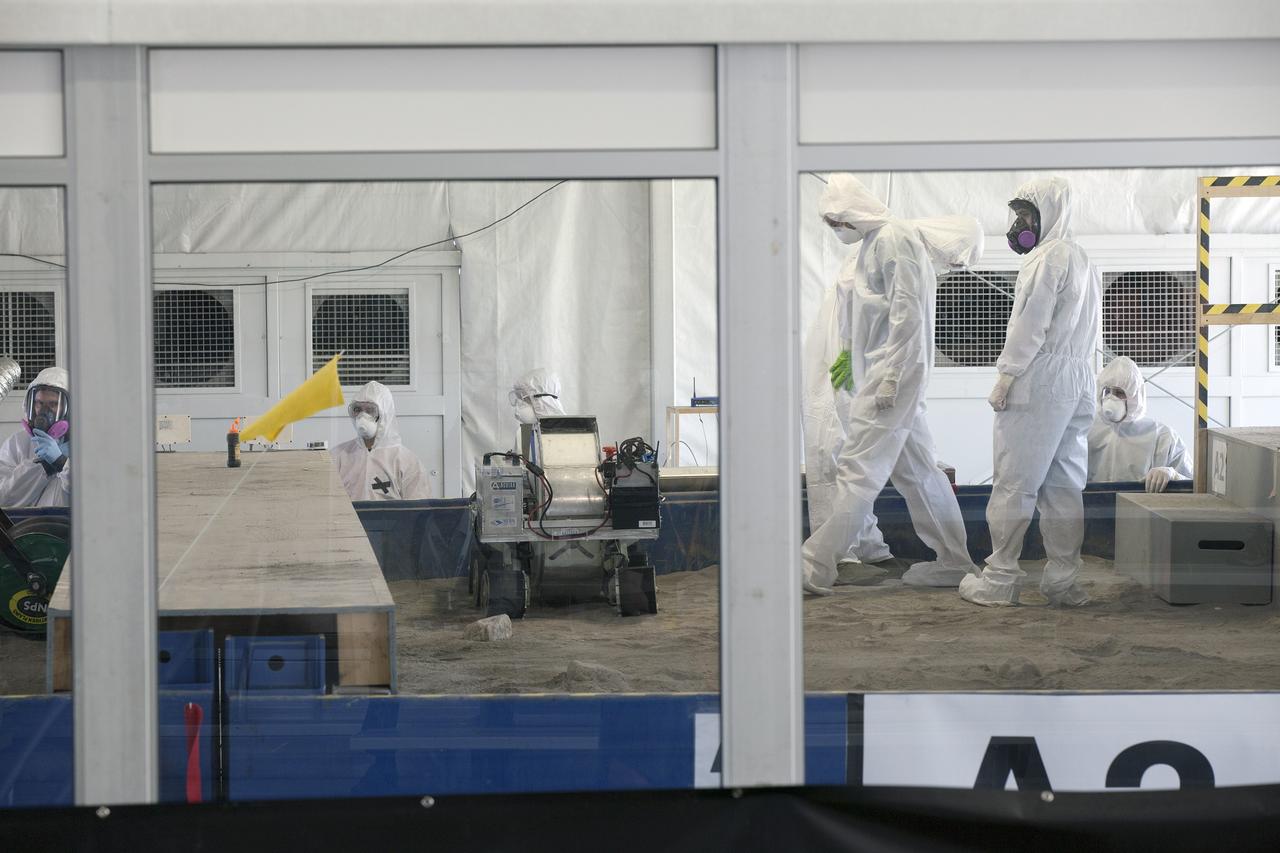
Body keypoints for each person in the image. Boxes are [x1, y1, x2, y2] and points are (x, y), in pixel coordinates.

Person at [801, 174, 983, 595]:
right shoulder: (875, 243)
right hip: (886, 376)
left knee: (857, 472)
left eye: (838, 221)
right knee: (921, 473)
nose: (837, 229)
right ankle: (956, 562)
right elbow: (872, 316)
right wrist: (853, 357)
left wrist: (890, 380)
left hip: (889, 379)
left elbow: (908, 316)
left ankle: (814, 567)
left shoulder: (895, 239)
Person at [959, 177, 1102, 608]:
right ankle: (1063, 581)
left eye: (1026, 215)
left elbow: (1031, 321)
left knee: (1014, 482)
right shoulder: (1083, 258)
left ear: (1049, 214)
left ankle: (1000, 578)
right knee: (1063, 486)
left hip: (1040, 378)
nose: (1019, 225)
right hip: (1077, 379)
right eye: (1018, 215)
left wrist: (1008, 374)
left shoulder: (1047, 257)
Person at [1088, 356, 1191, 492]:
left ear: (1136, 395)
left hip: (1140, 504)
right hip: (1093, 503)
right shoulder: (1087, 429)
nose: (1111, 398)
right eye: (1107, 391)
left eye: (1119, 392)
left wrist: (1172, 474)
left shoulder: (1162, 436)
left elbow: (1191, 482)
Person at [332, 381, 431, 501]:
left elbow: (418, 508)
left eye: (370, 410)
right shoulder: (338, 456)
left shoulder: (407, 462)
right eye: (357, 409)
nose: (362, 416)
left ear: (385, 414)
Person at [0, 366, 71, 508]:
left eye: (53, 404)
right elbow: (3, 497)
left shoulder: (84, 443)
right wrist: (43, 466)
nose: (44, 411)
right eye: (39, 403)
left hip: (68, 522)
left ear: (68, 408)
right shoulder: (17, 443)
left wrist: (61, 462)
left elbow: (93, 494)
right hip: (26, 522)